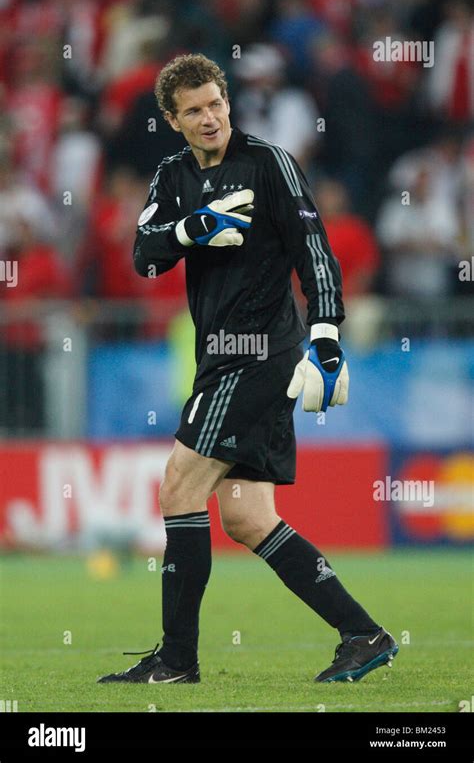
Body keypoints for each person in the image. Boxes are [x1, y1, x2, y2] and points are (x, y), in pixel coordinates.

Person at [97, 53, 398, 686]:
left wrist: (325, 334)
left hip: (260, 352)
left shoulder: (269, 164)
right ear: (173, 120)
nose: (210, 118)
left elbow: (314, 249)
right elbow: (145, 257)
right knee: (246, 517)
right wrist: (191, 229)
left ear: (228, 99)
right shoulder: (172, 175)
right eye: (194, 111)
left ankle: (177, 660)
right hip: (219, 355)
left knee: (179, 488)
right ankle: (362, 634)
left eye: (216, 103)